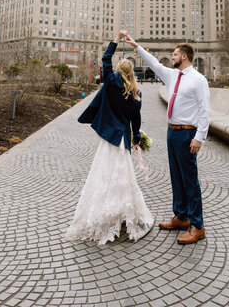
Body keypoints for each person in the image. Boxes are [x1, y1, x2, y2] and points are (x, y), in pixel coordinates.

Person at [65, 31, 154, 245]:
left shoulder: (111, 83)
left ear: (117, 71)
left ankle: (104, 211)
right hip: (122, 138)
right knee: (122, 177)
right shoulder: (135, 96)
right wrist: (137, 138)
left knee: (104, 174)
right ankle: (121, 211)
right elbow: (136, 122)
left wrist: (116, 39)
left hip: (108, 138)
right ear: (132, 73)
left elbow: (105, 59)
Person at [125, 33, 210, 245]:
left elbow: (205, 111)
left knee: (190, 180)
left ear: (184, 57)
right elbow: (153, 63)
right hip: (172, 131)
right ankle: (181, 217)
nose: (171, 56)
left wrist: (199, 137)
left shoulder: (199, 80)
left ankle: (197, 225)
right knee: (176, 176)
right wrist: (137, 46)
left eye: (175, 54)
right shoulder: (173, 75)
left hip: (187, 133)